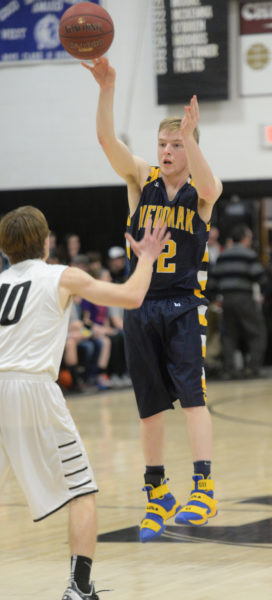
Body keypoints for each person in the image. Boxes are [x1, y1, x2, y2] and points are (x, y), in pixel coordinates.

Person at [83, 57, 223, 542]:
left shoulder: (203, 193)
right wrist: (108, 87)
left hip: (184, 304)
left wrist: (193, 135)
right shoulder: (141, 180)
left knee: (192, 398)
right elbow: (107, 142)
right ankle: (157, 490)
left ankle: (203, 485)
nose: (166, 151)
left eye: (176, 145)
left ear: (191, 148)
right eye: (162, 144)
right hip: (139, 304)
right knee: (148, 409)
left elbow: (208, 185)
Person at [0, 205, 169, 599]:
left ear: (5, 249)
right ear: (46, 242)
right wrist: (146, 257)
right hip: (32, 387)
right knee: (81, 490)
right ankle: (79, 588)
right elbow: (131, 296)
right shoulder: (62, 275)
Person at [213, 223, 267, 379]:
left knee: (229, 335)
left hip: (226, 300)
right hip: (244, 298)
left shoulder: (223, 256)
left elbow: (213, 281)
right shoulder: (248, 255)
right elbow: (260, 277)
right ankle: (253, 368)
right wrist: (263, 293)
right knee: (257, 332)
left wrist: (216, 298)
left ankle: (229, 370)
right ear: (245, 238)